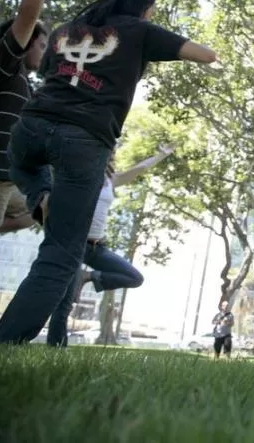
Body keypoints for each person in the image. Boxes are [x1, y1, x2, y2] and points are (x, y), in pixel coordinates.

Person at [0, 0, 218, 345]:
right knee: (62, 253)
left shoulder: (66, 31)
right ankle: (6, 342)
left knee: (22, 166)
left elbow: (49, 69)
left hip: (31, 127)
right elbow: (204, 53)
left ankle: (40, 195)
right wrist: (208, 59)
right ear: (144, 7)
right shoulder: (139, 30)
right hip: (83, 140)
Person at [46, 145, 175, 347]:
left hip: (97, 246)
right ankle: (56, 347)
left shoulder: (111, 180)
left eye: (112, 154)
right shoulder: (80, 176)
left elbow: (139, 169)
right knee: (66, 301)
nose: (111, 156)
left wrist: (161, 155)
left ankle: (88, 276)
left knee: (134, 277)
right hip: (76, 245)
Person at [0, 0, 66, 234]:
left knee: (47, 206)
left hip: (10, 183)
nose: (44, 51)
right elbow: (27, 14)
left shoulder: (24, 83)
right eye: (41, 44)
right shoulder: (5, 65)